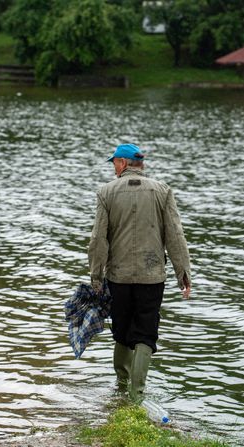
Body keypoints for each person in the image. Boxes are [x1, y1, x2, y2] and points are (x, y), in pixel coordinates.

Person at [88, 143, 191, 401]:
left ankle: (121, 387)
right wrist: (183, 274)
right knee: (146, 331)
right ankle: (136, 396)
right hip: (152, 275)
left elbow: (98, 239)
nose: (113, 168)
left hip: (118, 276)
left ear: (123, 163)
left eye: (114, 162)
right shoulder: (163, 191)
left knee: (121, 330)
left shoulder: (106, 193)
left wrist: (96, 276)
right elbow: (175, 236)